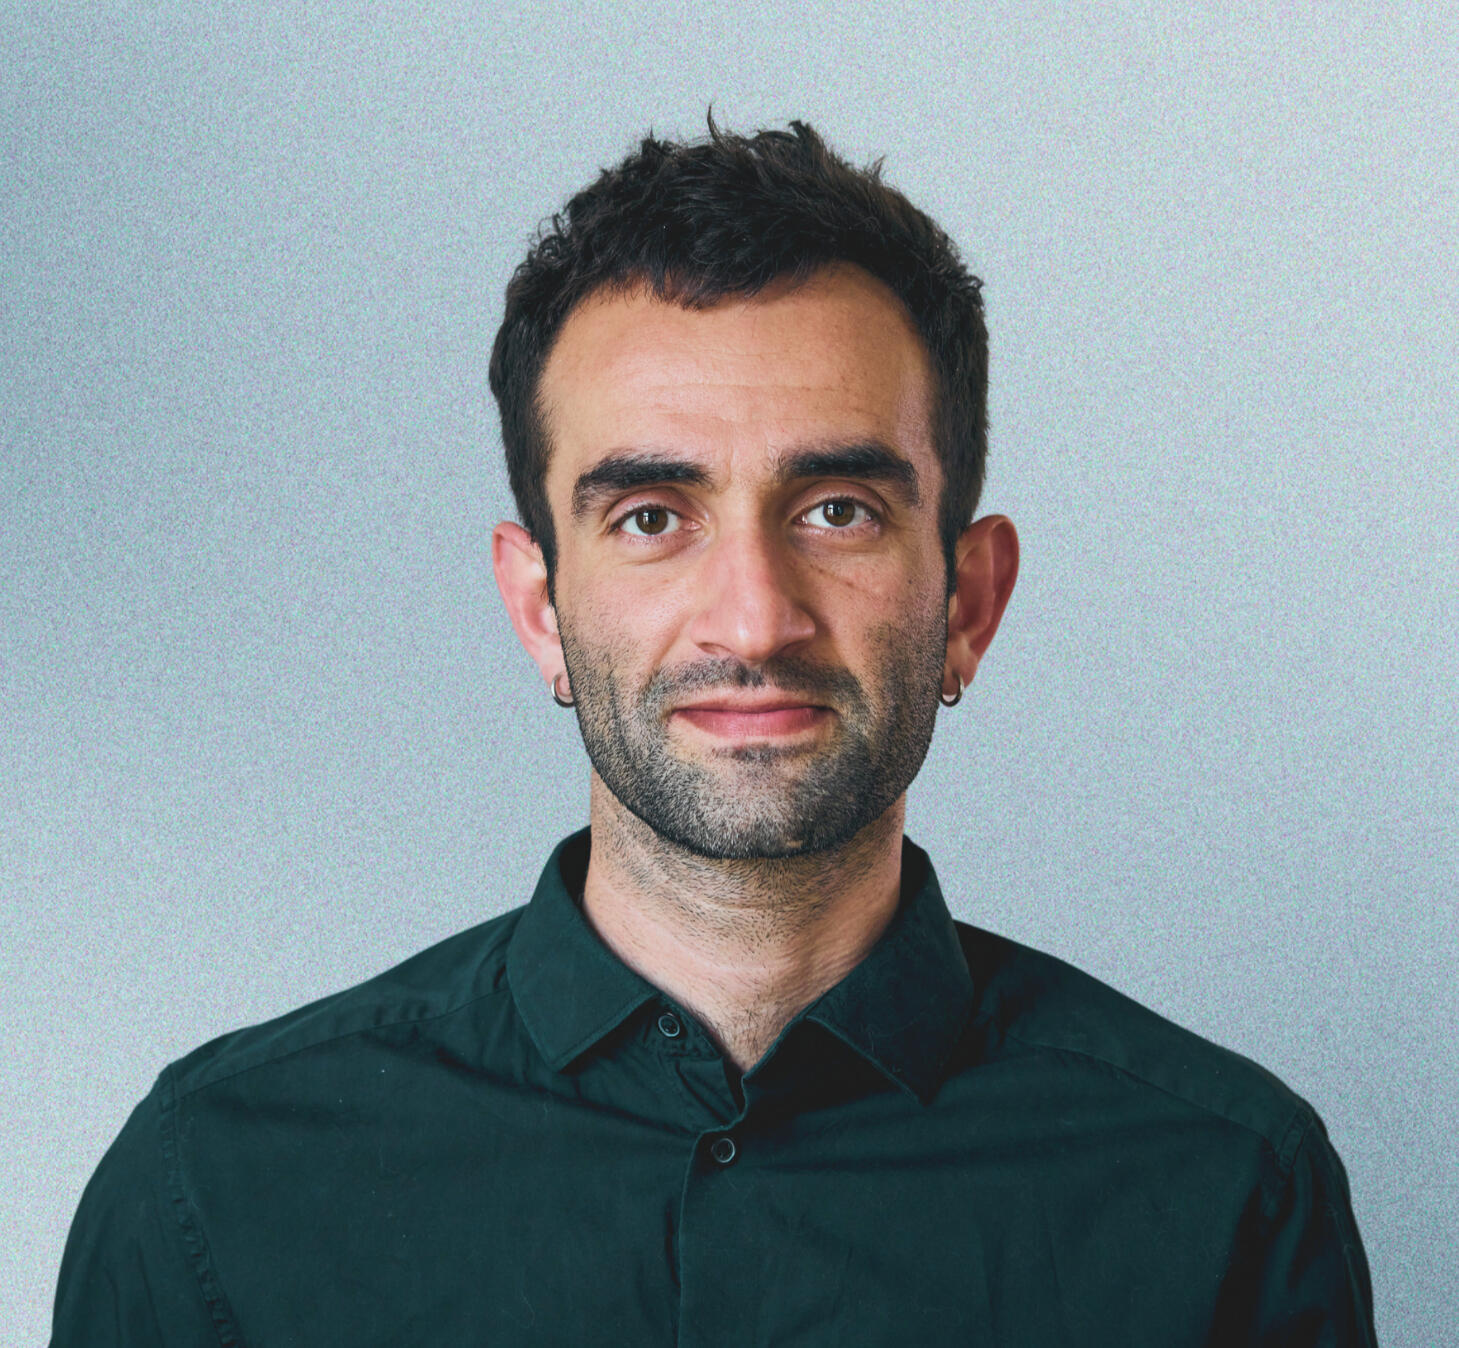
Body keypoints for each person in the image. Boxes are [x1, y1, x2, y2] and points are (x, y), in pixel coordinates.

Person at [52, 119, 1376, 1346]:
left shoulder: (1225, 1192)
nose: (754, 617)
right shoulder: (213, 1186)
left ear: (967, 602)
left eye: (839, 510)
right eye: (651, 518)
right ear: (540, 609)